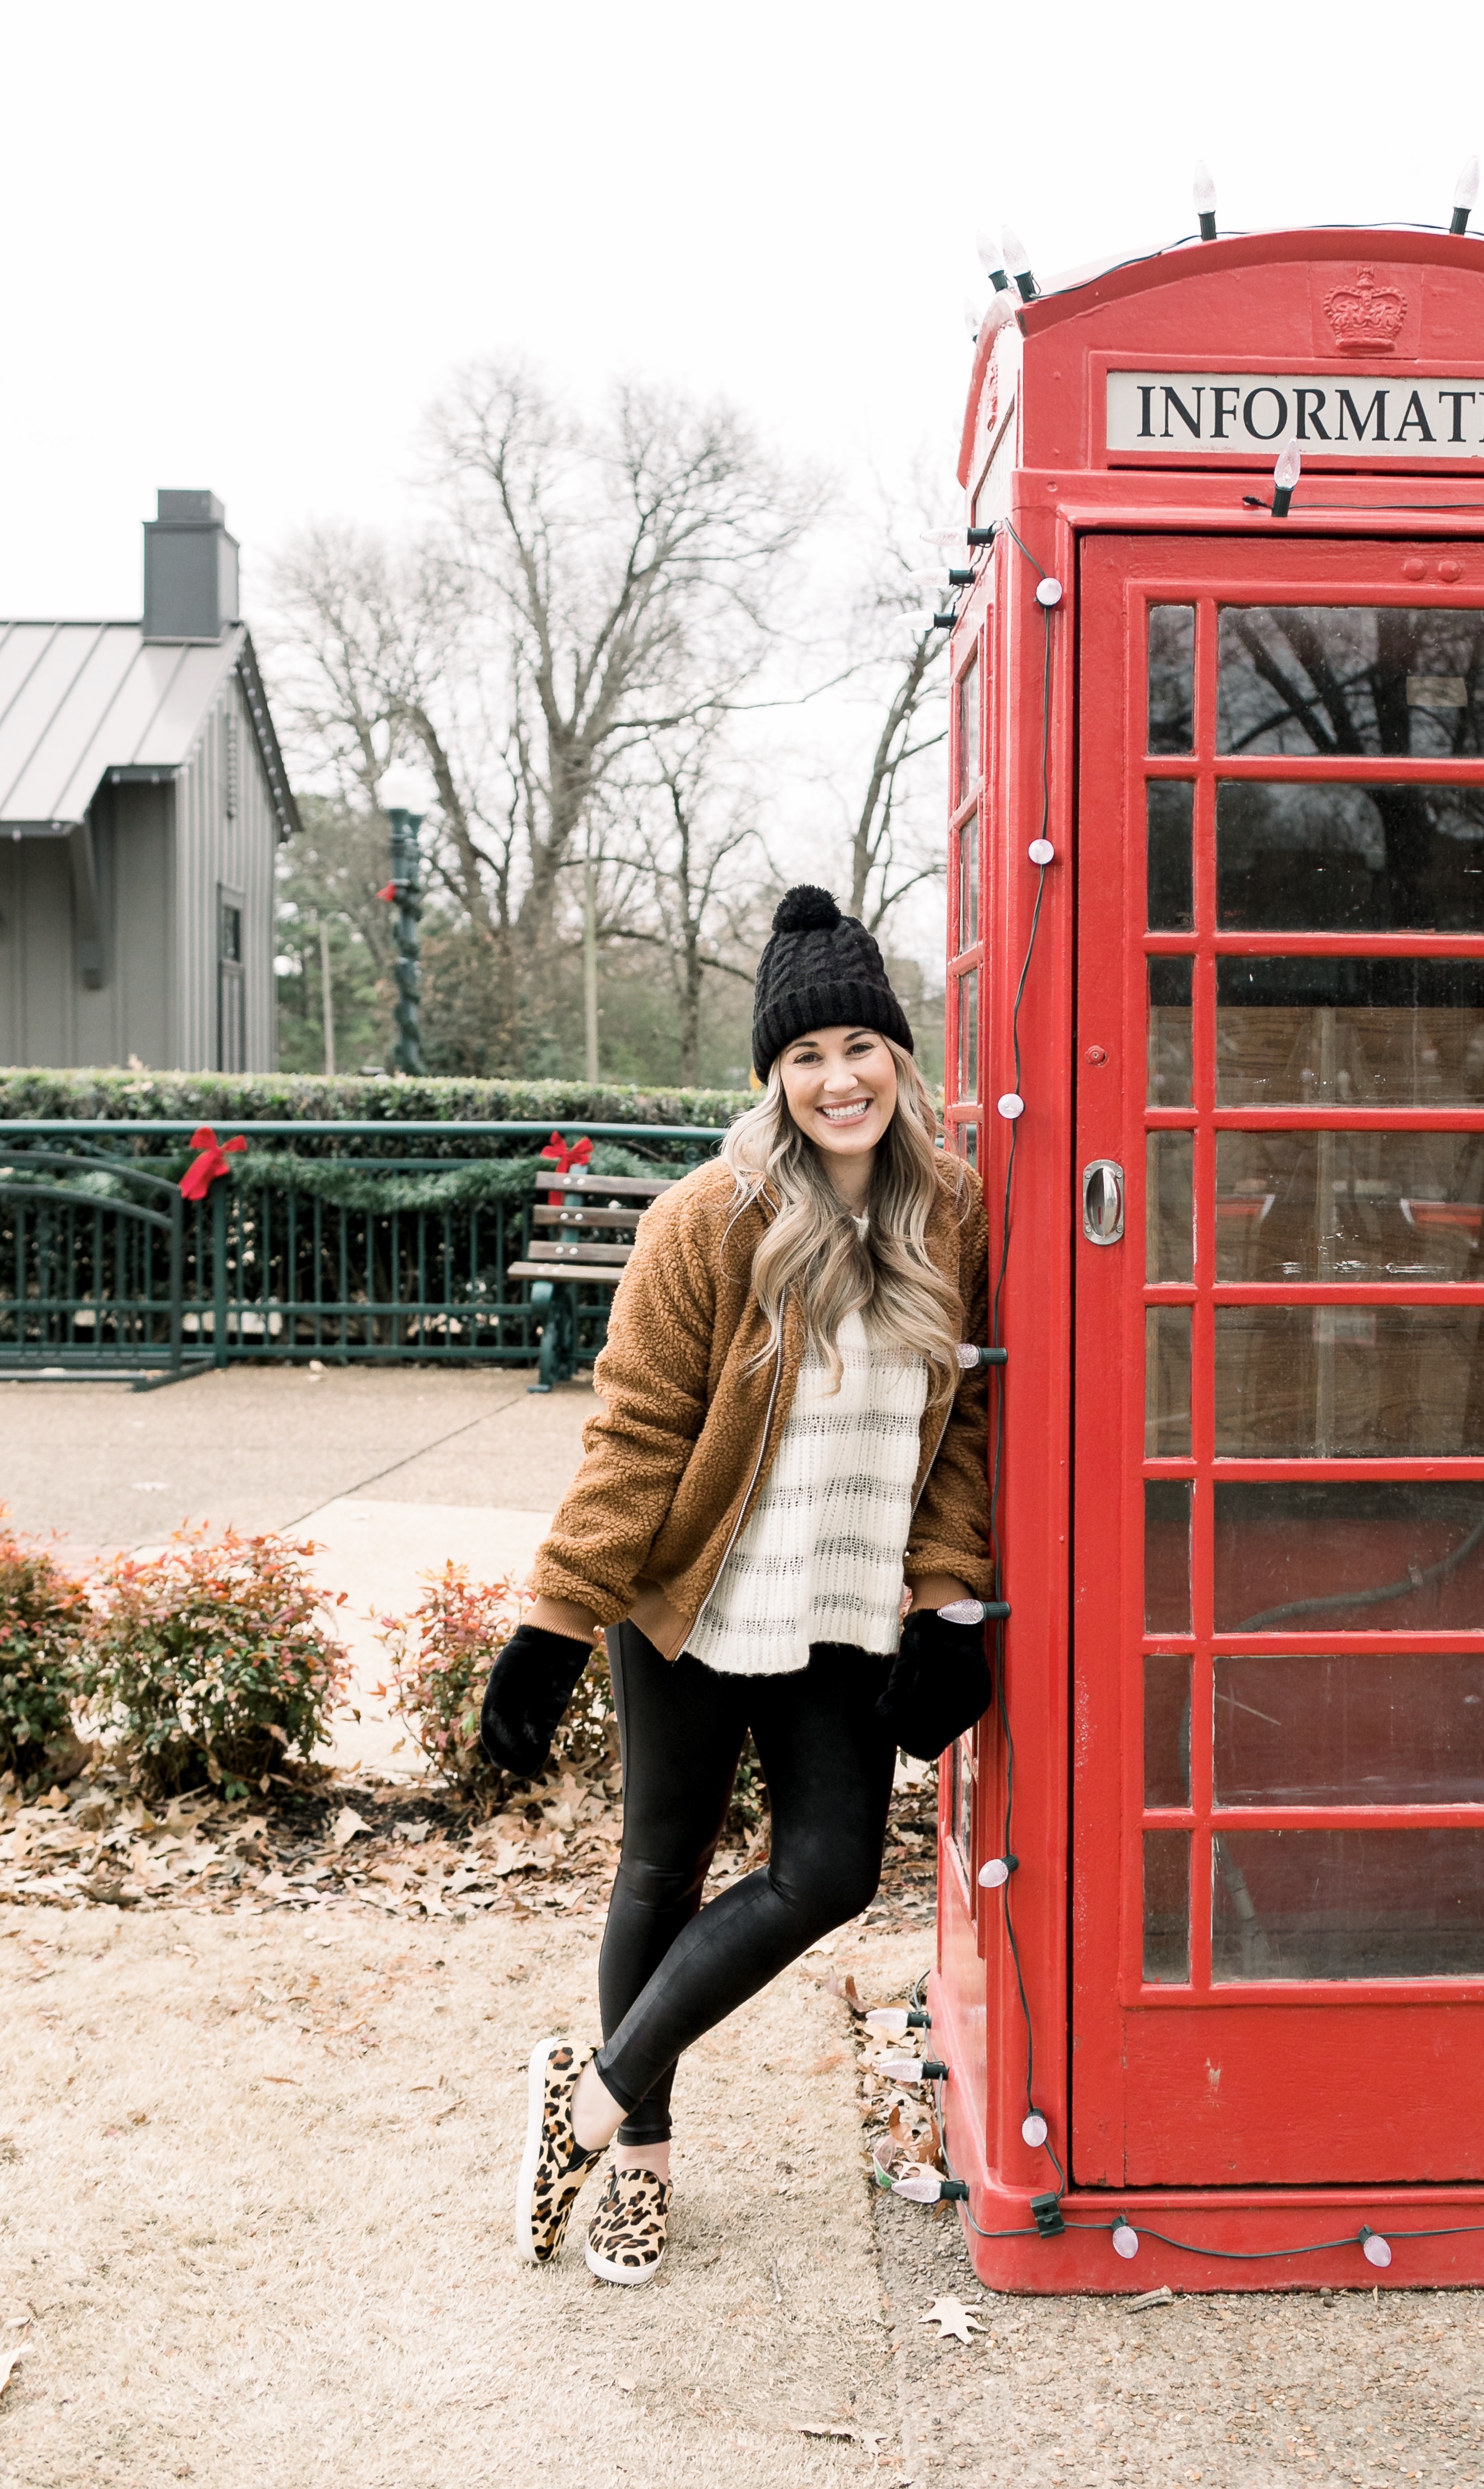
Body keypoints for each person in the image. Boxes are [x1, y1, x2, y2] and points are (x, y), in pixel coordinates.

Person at [482, 886, 994, 2287]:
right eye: (806, 1056)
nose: (839, 1079)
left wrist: (947, 1600)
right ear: (773, 1078)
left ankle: (583, 2097)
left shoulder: (951, 1214)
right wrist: (553, 1622)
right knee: (662, 1866)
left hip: (842, 1609)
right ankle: (635, 2155)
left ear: (899, 1055)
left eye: (860, 1048)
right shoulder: (711, 1218)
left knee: (823, 1875)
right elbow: (637, 1430)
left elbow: (966, 1436)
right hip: (698, 1600)